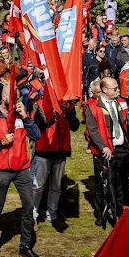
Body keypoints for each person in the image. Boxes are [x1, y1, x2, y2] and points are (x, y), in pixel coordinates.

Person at [0, 86, 41, 257]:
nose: (14, 100)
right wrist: (0, 142)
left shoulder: (21, 114)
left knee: (28, 206)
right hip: (1, 170)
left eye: (16, 97)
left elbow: (36, 135)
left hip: (22, 168)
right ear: (3, 97)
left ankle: (25, 245)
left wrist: (26, 117)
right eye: (11, 97)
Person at [85, 78, 129, 224]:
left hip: (120, 148)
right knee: (102, 182)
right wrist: (103, 146)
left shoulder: (117, 103)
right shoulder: (92, 107)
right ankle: (101, 212)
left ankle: (120, 211)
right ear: (105, 90)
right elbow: (92, 130)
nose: (117, 90)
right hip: (103, 151)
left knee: (120, 181)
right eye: (115, 88)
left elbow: (121, 123)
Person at [32, 95, 80, 225]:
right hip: (44, 150)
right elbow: (36, 126)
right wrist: (51, 113)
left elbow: (75, 126)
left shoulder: (68, 105)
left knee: (56, 186)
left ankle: (52, 213)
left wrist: (68, 112)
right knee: (38, 185)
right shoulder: (40, 104)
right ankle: (32, 212)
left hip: (60, 151)